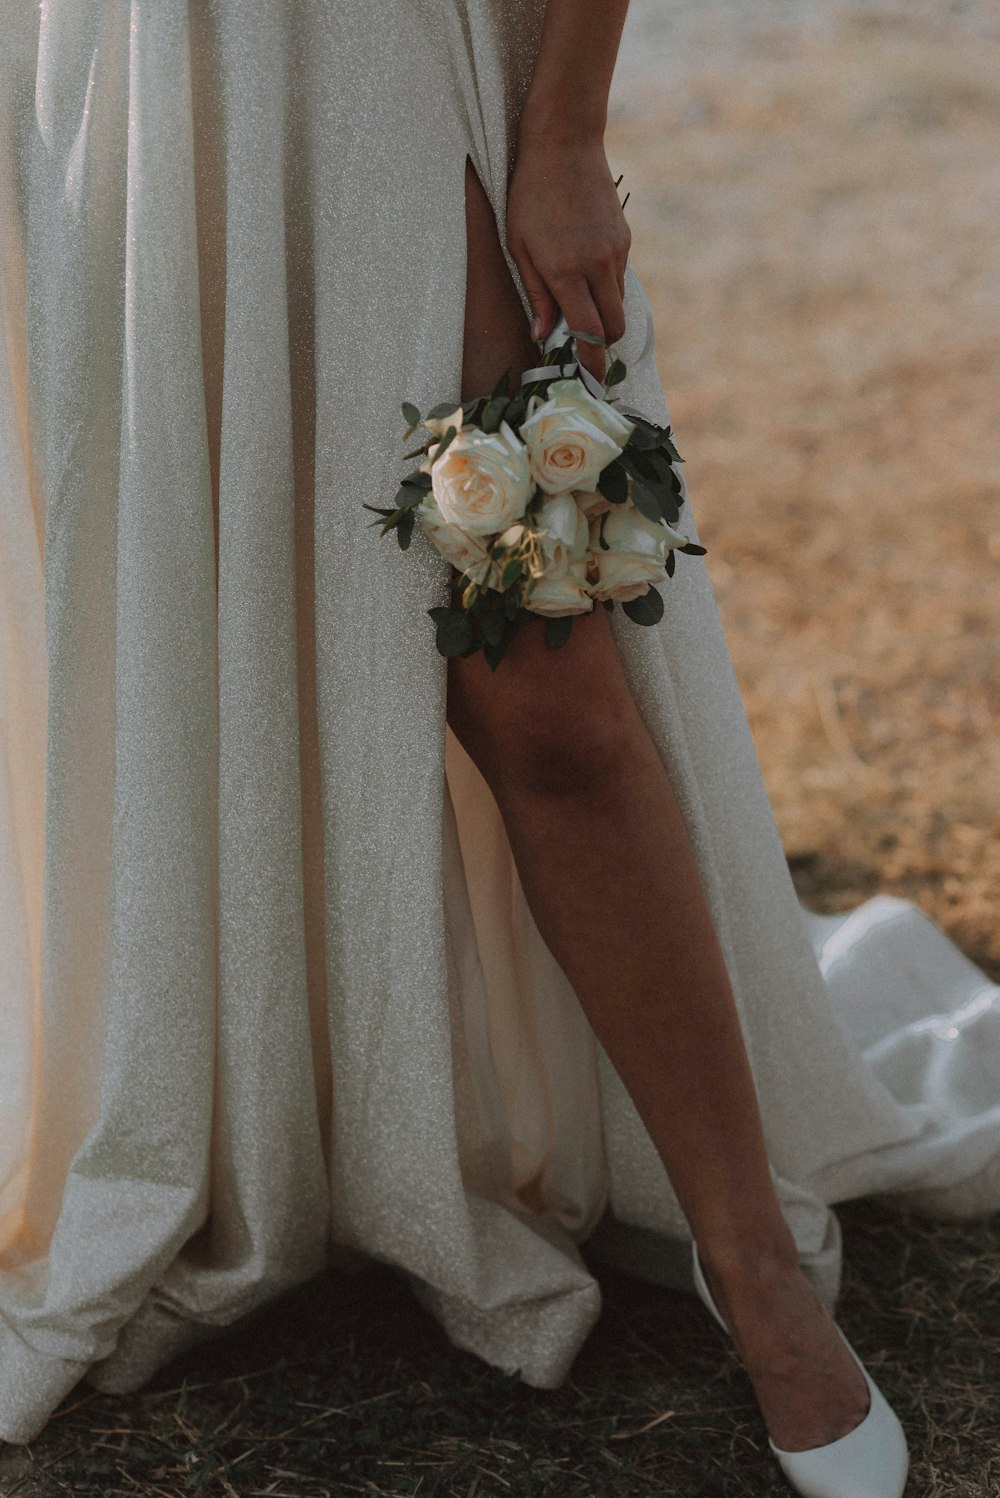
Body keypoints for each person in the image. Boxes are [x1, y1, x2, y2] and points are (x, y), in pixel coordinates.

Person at [1, 2, 997, 1491]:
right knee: (204, 609)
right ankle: (266, 1128)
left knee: (546, 674)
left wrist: (568, 130)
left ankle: (762, 1272)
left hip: (392, 63)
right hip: (134, 67)